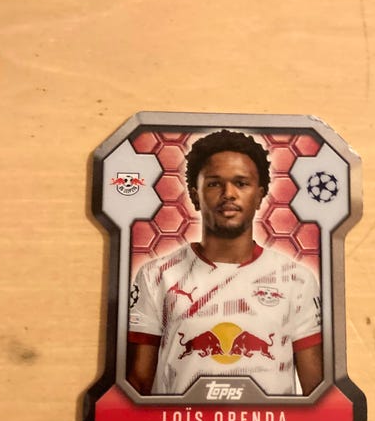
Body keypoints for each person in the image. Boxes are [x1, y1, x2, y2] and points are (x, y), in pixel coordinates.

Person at [127, 130, 322, 396]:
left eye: (241, 183)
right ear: (195, 195)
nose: (228, 194)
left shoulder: (296, 279)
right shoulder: (156, 275)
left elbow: (318, 390)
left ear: (260, 196)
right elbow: (136, 385)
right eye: (214, 184)